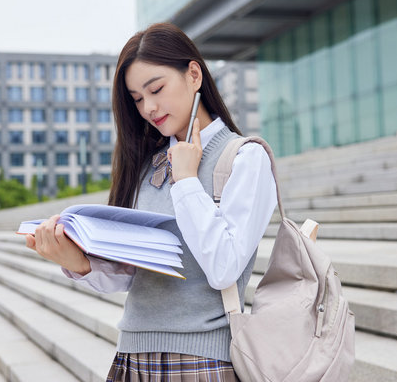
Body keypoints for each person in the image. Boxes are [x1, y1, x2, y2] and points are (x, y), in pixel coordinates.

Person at [25, 22, 277, 381]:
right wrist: (77, 262)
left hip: (202, 360)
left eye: (156, 88)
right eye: (137, 98)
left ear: (193, 74)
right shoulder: (146, 163)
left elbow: (225, 267)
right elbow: (132, 275)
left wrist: (188, 181)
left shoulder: (244, 157)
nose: (149, 107)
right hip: (132, 355)